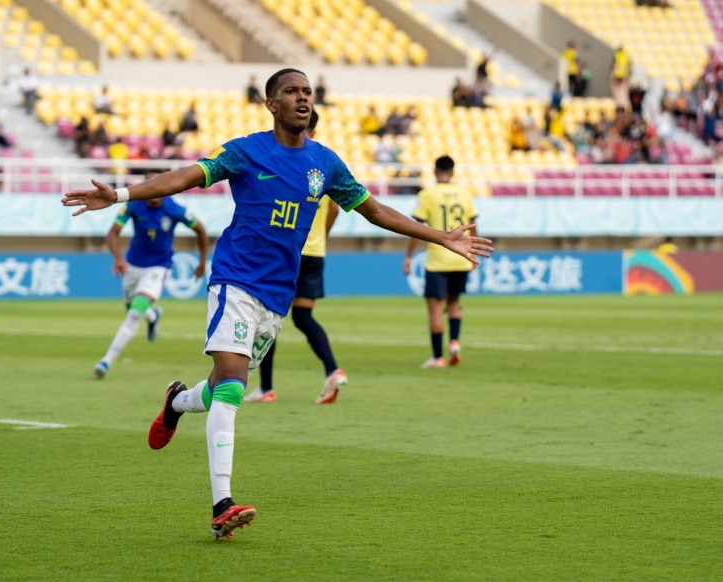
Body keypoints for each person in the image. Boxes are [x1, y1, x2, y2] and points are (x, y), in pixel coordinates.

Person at [61, 69, 493, 541]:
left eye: (308, 92)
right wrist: (121, 195)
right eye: (291, 92)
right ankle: (222, 505)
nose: (302, 98)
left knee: (221, 386)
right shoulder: (245, 151)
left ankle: (177, 402)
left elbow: (375, 210)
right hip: (235, 279)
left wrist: (439, 236)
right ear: (271, 104)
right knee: (232, 386)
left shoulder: (325, 163)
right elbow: (185, 176)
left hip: (277, 294)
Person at [244, 108, 348, 405]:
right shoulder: (325, 162)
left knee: (267, 317)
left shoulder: (290, 158)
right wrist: (322, 235)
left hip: (288, 252)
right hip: (315, 252)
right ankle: (332, 369)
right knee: (303, 317)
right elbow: (336, 207)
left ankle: (266, 388)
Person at [93, 171, 209, 379]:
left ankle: (106, 361)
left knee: (134, 313)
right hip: (132, 266)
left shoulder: (174, 209)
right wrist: (118, 259)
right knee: (132, 306)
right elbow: (113, 233)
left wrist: (202, 261)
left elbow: (200, 229)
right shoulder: (133, 205)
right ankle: (153, 316)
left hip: (158, 266)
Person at [403, 155, 479, 370]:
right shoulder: (465, 194)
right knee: (454, 303)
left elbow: (416, 228)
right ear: (453, 172)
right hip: (461, 257)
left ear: (434, 171)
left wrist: (408, 256)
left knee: (435, 309)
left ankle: (438, 357)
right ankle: (454, 341)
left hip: (438, 259)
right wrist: (473, 252)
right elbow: (472, 224)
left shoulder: (427, 194)